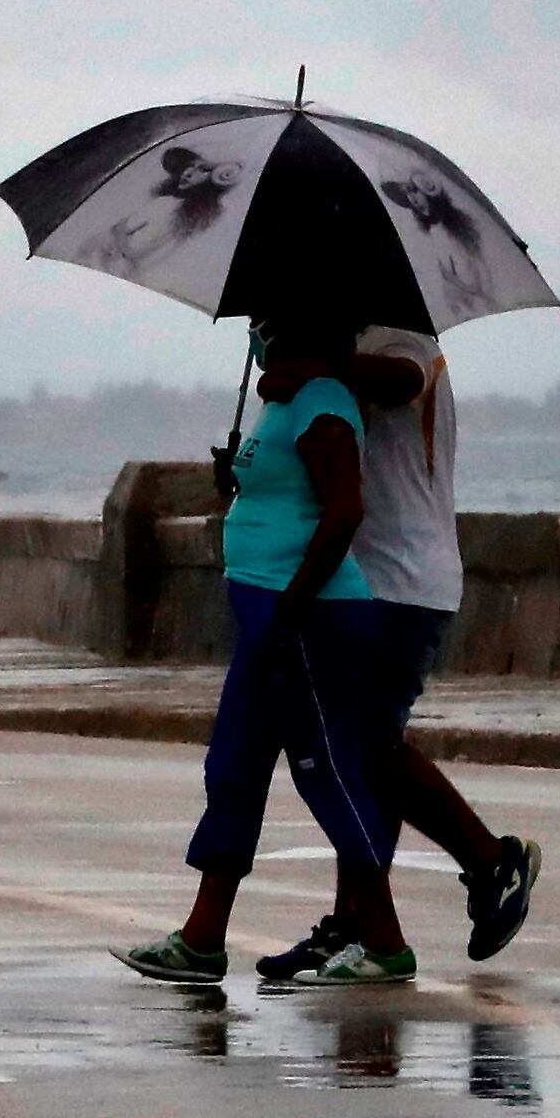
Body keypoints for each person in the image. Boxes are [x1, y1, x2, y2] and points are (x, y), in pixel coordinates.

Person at [114, 319, 419, 991]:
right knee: (234, 769)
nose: (256, 332)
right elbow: (281, 489)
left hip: (308, 617)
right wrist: (236, 478)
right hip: (266, 615)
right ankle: (201, 939)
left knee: (328, 773)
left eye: (264, 322)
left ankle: (386, 942)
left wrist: (293, 605)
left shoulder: (323, 404)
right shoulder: (281, 400)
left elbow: (344, 512)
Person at [334, 324, 542, 963]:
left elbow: (402, 381)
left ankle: (491, 861)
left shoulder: (405, 340)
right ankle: (355, 923)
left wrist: (320, 361)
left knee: (365, 750)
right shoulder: (356, 346)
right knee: (363, 757)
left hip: (404, 581)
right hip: (364, 577)